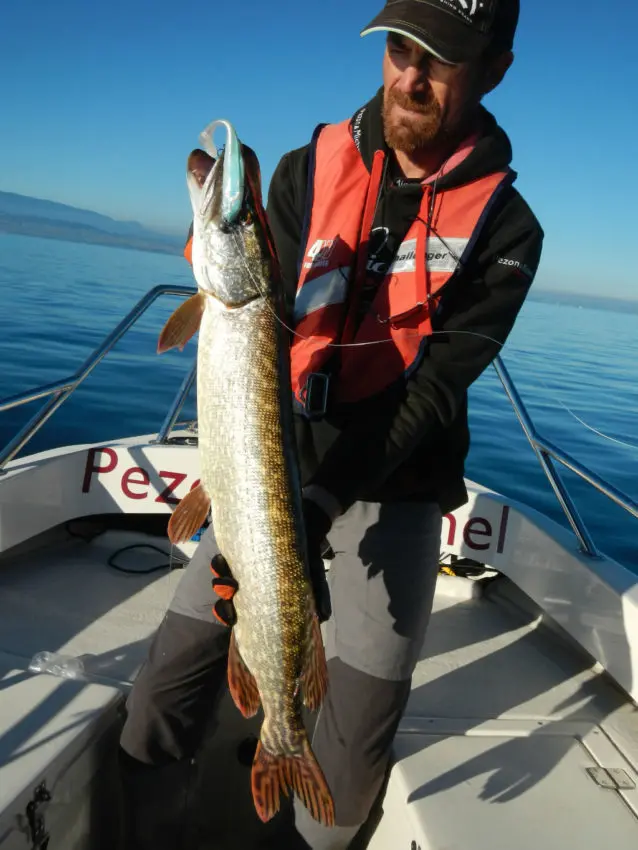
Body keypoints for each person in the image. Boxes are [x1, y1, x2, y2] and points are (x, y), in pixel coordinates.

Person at [119, 0, 544, 847]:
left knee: (345, 767)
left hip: (397, 487)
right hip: (266, 478)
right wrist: (277, 507)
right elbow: (255, 329)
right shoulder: (303, 171)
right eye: (398, 48)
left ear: (494, 70)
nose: (410, 76)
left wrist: (316, 506)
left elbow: (426, 397)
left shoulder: (508, 232)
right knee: (159, 697)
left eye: (442, 59)